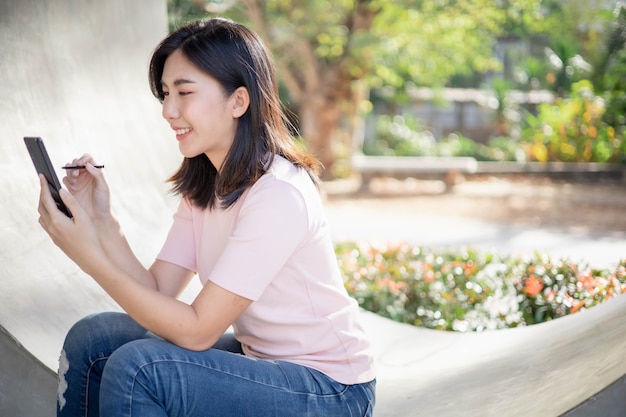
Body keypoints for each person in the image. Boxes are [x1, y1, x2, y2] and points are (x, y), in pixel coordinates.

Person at [37, 17, 375, 417]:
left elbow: (197, 330)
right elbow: (159, 292)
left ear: (238, 101)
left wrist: (86, 256)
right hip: (265, 364)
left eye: (184, 92)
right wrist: (102, 221)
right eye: (165, 93)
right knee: (94, 340)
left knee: (141, 369)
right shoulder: (208, 186)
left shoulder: (278, 194)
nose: (168, 110)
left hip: (331, 390)